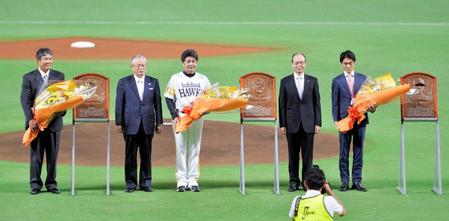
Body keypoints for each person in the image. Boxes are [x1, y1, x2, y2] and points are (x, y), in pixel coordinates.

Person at [164, 49, 211, 192]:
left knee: (195, 147)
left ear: (196, 63)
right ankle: (181, 180)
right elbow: (168, 97)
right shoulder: (175, 78)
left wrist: (203, 111)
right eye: (188, 61)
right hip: (181, 116)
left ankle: (193, 180)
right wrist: (174, 115)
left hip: (197, 117)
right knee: (181, 147)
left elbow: (210, 100)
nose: (191, 64)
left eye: (193, 61)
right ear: (183, 63)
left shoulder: (203, 79)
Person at [115, 55, 163, 193]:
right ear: (132, 67)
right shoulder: (124, 82)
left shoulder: (153, 82)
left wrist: (159, 122)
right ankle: (130, 184)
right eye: (138, 65)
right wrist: (119, 122)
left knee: (146, 155)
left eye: (143, 65)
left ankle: (145, 183)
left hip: (147, 124)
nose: (141, 68)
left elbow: (158, 104)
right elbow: (119, 103)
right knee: (130, 156)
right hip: (130, 124)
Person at [21, 48, 65, 194]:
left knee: (52, 157)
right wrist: (30, 120)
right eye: (46, 59)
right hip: (36, 124)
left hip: (54, 123)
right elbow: (25, 100)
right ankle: (35, 185)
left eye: (50, 59)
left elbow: (64, 98)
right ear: (38, 61)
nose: (49, 62)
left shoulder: (59, 76)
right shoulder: (28, 77)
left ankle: (52, 184)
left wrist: (60, 113)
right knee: (36, 157)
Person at [331, 50, 375, 192]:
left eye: (350, 63)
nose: (348, 66)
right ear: (341, 64)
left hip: (360, 120)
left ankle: (357, 181)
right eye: (345, 63)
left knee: (358, 151)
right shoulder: (337, 81)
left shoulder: (363, 79)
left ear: (354, 63)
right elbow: (335, 103)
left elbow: (371, 100)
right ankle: (344, 181)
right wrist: (336, 120)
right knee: (343, 152)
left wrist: (373, 107)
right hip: (344, 121)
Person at [279, 53, 321, 192]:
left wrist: (318, 123)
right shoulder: (285, 82)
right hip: (291, 124)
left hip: (309, 124)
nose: (299, 65)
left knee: (308, 156)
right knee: (293, 155)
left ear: (305, 64)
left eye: (301, 62)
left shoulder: (313, 81)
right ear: (292, 64)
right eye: (296, 63)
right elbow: (282, 105)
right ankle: (293, 181)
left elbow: (316, 103)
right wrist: (282, 124)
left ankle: (306, 182)